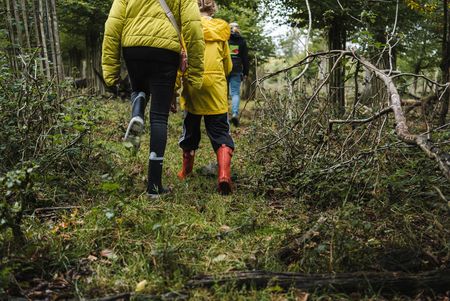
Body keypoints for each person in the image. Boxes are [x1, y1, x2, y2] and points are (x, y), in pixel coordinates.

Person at [102, 0, 205, 197]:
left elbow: (112, 25)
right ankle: (154, 186)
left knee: (138, 87)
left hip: (133, 49)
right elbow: (193, 27)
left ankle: (138, 112)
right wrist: (195, 73)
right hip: (165, 51)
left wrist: (110, 70)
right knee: (159, 117)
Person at [177, 0, 235, 195]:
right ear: (213, 9)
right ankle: (224, 175)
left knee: (190, 128)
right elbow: (228, 66)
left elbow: (181, 59)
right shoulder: (221, 32)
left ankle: (186, 171)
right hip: (216, 88)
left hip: (194, 84)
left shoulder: (187, 30)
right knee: (219, 131)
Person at [228, 22, 249, 127]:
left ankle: (222, 116)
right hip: (237, 69)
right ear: (238, 29)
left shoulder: (225, 39)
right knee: (235, 93)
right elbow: (245, 58)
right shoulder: (242, 41)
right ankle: (235, 114)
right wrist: (246, 72)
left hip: (225, 68)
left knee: (223, 93)